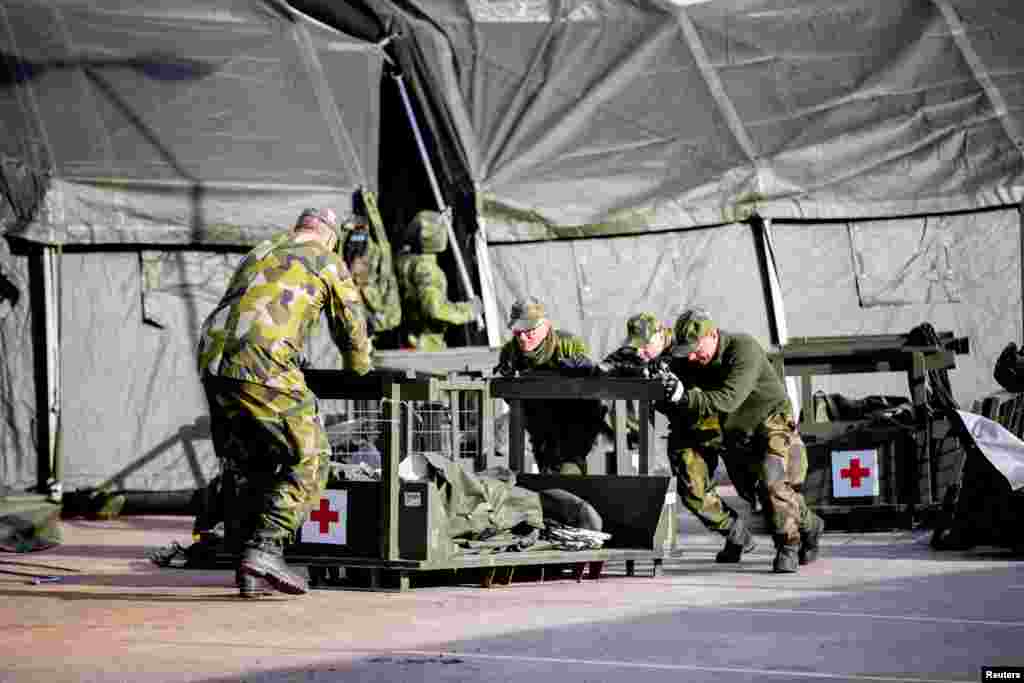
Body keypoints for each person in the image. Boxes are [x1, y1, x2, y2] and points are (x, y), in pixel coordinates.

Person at [197, 207, 373, 597]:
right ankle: (265, 550)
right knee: (311, 456)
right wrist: (359, 369)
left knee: (251, 461)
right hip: (262, 362)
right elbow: (352, 329)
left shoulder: (262, 249)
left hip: (213, 359)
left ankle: (247, 570)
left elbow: (251, 304)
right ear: (330, 235)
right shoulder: (328, 261)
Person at [657, 307, 825, 573]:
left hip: (770, 420)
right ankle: (810, 524)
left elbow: (728, 400)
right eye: (685, 351)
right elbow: (671, 396)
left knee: (773, 481)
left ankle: (788, 546)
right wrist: (658, 383)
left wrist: (684, 396)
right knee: (753, 492)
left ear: (713, 335)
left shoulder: (742, 348)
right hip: (734, 432)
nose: (691, 356)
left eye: (696, 348)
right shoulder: (690, 360)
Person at [493, 297, 604, 474]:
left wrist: (583, 370)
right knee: (545, 466)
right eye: (517, 332)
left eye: (528, 331)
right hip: (538, 416)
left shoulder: (568, 344)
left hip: (575, 414)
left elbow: (594, 390)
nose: (522, 338)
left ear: (545, 326)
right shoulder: (511, 352)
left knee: (570, 468)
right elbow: (508, 394)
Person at [394, 210, 482, 351]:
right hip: (427, 346)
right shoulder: (427, 269)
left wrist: (442, 220)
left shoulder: (403, 260)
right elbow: (435, 309)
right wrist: (469, 310)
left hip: (407, 340)